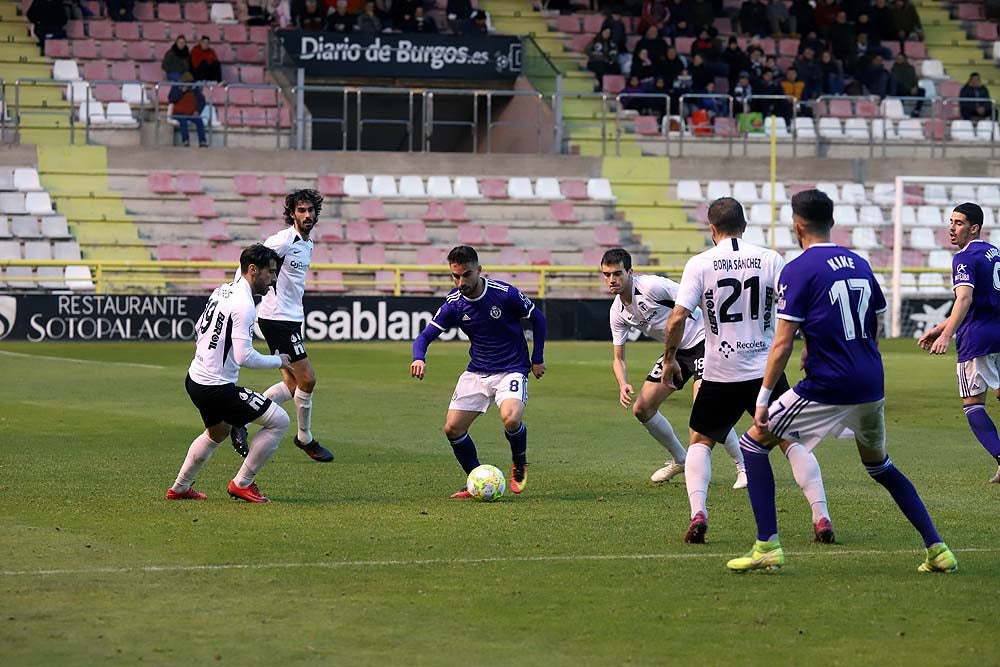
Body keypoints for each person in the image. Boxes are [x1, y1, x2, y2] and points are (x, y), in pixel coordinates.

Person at [727, 190, 957, 573]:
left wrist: (764, 396)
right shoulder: (859, 262)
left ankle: (767, 544)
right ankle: (938, 549)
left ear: (797, 225)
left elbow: (782, 341)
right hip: (870, 382)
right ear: (831, 222)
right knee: (880, 466)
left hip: (829, 384)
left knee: (753, 443)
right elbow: (872, 322)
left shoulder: (798, 268)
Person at [662, 197, 834, 545]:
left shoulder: (700, 263)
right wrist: (809, 348)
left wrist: (669, 358)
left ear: (712, 229)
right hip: (764, 371)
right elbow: (799, 310)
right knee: (791, 442)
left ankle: (699, 512)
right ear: (744, 225)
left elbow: (678, 317)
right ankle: (821, 516)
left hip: (719, 371)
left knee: (700, 441)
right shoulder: (771, 259)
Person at [600, 248, 747, 488]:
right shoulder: (617, 312)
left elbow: (694, 297)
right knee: (642, 408)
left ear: (630, 272)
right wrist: (623, 383)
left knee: (707, 407)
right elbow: (619, 358)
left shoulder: (652, 287)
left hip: (704, 340)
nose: (612, 280)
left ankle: (743, 466)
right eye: (606, 275)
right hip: (675, 352)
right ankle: (680, 459)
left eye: (617, 274)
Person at [410, 245, 547, 498]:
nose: (461, 281)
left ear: (479, 271)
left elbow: (538, 318)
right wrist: (419, 358)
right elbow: (424, 337)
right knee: (452, 429)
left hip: (511, 369)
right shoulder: (454, 304)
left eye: (466, 275)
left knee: (511, 418)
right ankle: (476, 478)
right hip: (477, 372)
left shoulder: (504, 293)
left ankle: (519, 462)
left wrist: (536, 359)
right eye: (455, 276)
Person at [166, 244, 293, 504]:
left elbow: (200, 327)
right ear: (253, 270)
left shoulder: (222, 290)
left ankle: (180, 487)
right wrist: (278, 361)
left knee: (217, 433)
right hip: (217, 388)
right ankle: (242, 484)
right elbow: (244, 356)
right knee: (279, 421)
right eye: (270, 273)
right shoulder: (245, 305)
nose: (273, 279)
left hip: (195, 379)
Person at [230, 190, 335, 464]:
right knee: (308, 379)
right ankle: (305, 437)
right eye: (301, 210)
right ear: (292, 214)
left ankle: (241, 418)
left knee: (291, 384)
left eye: (311, 210)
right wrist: (236, 293)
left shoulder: (307, 242)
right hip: (276, 318)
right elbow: (251, 262)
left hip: (290, 317)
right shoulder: (283, 240)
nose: (307, 215)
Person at [918, 202, 1000, 484]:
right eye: (950, 222)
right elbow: (976, 301)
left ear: (974, 228)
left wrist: (945, 334)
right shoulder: (993, 252)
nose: (952, 228)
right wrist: (939, 327)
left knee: (972, 403)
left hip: (978, 339)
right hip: (997, 330)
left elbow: (964, 299)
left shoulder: (964, 258)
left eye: (959, 223)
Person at [168, 73, 208, 148]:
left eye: (190, 82)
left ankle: (202, 141)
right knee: (183, 120)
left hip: (190, 113)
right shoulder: (176, 87)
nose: (188, 84)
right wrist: (182, 91)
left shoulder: (194, 89)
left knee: (199, 120)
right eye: (186, 82)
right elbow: (171, 99)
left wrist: (198, 111)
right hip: (178, 113)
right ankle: (185, 141)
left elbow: (202, 101)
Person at [586, 27, 621, 92]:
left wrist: (612, 60)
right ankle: (601, 86)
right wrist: (596, 55)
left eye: (608, 33)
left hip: (606, 63)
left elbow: (614, 54)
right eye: (605, 32)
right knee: (600, 66)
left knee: (617, 67)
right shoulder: (595, 40)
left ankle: (614, 88)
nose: (606, 34)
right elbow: (587, 50)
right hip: (594, 62)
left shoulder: (612, 43)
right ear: (602, 32)